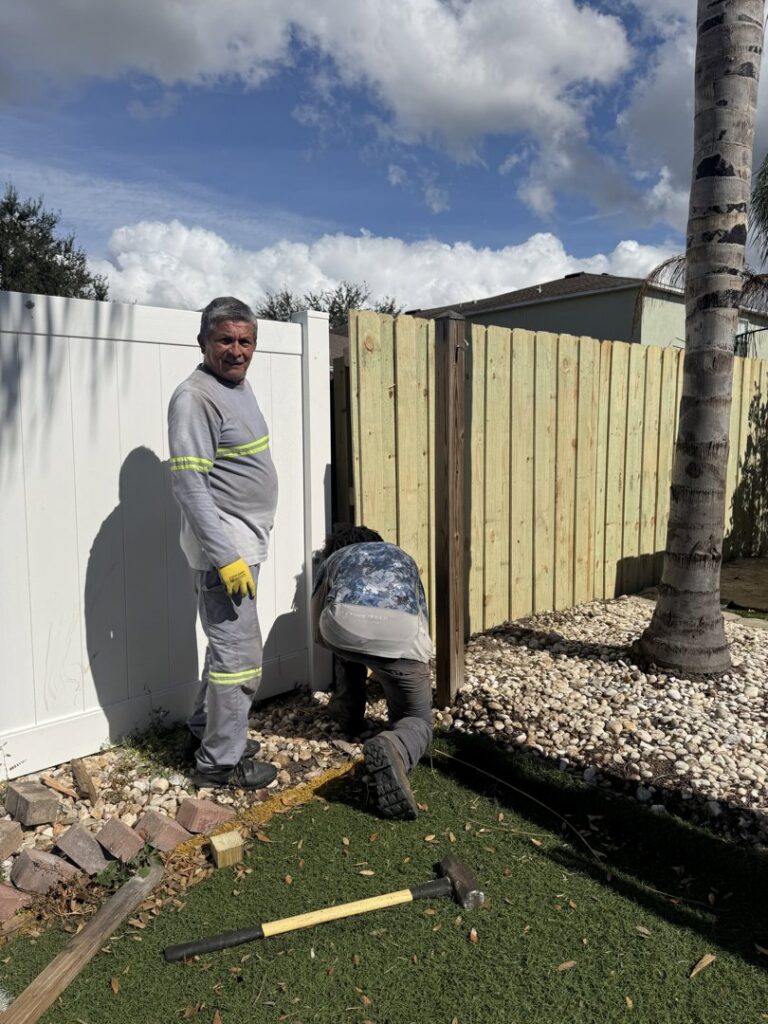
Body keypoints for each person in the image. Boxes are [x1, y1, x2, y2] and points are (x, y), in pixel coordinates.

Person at [168, 296, 278, 789]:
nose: (237, 351)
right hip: (226, 554)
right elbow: (190, 486)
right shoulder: (195, 397)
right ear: (203, 342)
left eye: (245, 340)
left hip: (243, 545)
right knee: (239, 659)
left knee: (223, 650)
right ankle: (219, 764)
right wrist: (226, 557)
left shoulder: (236, 386)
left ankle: (203, 730)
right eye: (225, 340)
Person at [311, 525, 433, 819]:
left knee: (347, 647)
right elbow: (421, 614)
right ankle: (395, 744)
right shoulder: (401, 557)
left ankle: (347, 713)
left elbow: (316, 622)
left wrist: (339, 644)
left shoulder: (334, 560)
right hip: (401, 633)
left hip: (343, 627)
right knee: (416, 719)